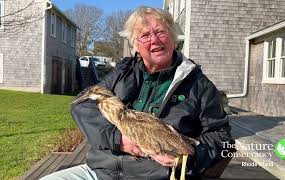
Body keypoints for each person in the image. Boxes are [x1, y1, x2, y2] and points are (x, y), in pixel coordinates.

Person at [41, 6, 232, 180]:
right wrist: (119, 140)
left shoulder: (199, 84)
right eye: (145, 36)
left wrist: (187, 159)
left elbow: (221, 136)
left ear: (173, 38)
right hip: (103, 171)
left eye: (160, 32)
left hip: (156, 175)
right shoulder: (123, 72)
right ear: (136, 46)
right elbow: (81, 105)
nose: (155, 40)